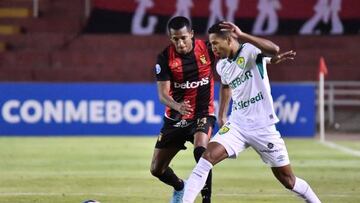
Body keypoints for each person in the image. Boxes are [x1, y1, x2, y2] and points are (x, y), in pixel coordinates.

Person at [182, 21, 321, 203]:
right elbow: (226, 85)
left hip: (263, 127)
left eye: (216, 43)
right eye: (211, 43)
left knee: (289, 181)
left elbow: (274, 49)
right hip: (237, 125)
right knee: (206, 158)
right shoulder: (221, 65)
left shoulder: (249, 50)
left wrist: (244, 35)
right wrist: (223, 114)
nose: (213, 47)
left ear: (229, 39)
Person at [150, 16, 216, 203]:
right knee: (157, 169)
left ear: (192, 34)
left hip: (202, 114)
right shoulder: (164, 58)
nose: (180, 43)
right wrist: (178, 106)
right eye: (175, 39)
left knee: (201, 152)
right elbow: (163, 95)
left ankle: (206, 200)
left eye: (183, 38)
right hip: (175, 118)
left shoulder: (208, 49)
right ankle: (180, 186)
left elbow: (234, 53)